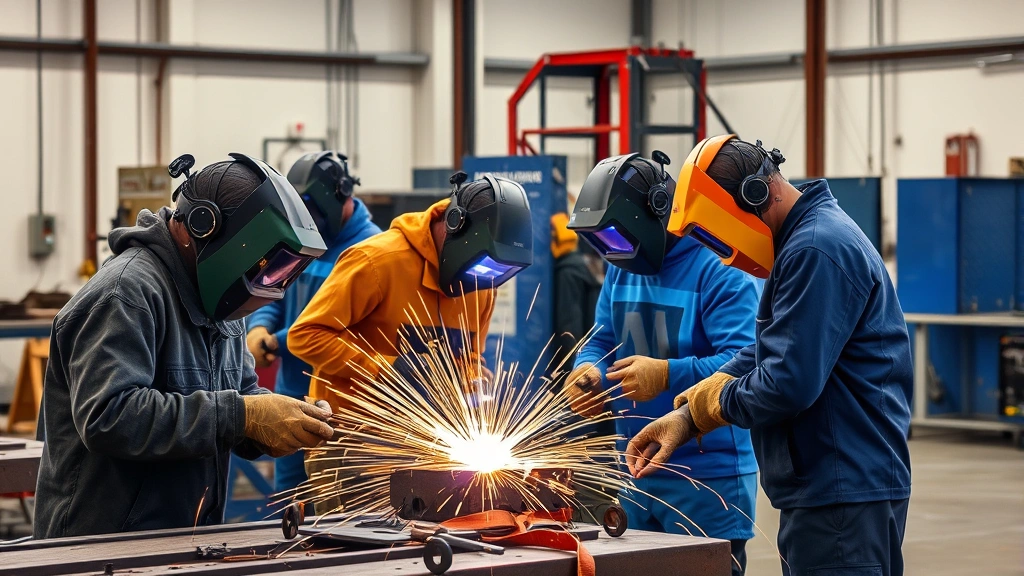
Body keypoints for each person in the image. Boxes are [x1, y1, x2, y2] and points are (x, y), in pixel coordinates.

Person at [626, 135, 913, 576]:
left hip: (842, 490)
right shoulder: (806, 242)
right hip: (832, 487)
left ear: (758, 195)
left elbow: (787, 381)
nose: (725, 258)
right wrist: (687, 416)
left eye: (720, 237)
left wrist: (713, 406)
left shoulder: (816, 249)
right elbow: (765, 351)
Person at [34, 153, 336, 538]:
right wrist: (244, 415)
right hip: (102, 545)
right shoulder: (125, 293)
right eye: (261, 267)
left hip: (181, 539)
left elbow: (240, 397)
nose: (269, 288)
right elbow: (109, 416)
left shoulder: (218, 298)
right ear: (204, 227)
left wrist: (278, 423)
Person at [288, 171, 534, 513]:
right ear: (454, 225)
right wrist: (386, 370)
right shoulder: (376, 262)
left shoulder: (483, 282)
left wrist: (475, 387)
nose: (485, 282)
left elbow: (471, 356)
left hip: (429, 446)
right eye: (482, 267)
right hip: (354, 446)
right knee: (367, 560)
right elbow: (305, 335)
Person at [564, 151, 760, 575]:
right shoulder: (624, 262)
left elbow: (746, 362)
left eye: (617, 237)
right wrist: (588, 369)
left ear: (656, 213)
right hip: (633, 471)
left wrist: (668, 375)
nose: (611, 252)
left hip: (707, 480)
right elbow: (602, 337)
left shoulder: (721, 266)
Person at [246, 152, 380, 493]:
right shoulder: (303, 239)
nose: (311, 220)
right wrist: (259, 325)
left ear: (343, 196)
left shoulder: (371, 251)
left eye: (316, 210)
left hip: (341, 406)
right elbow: (273, 286)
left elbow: (336, 326)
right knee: (290, 507)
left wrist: (276, 340)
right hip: (292, 393)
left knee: (335, 512)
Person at [550, 212, 602, 367]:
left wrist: (571, 367)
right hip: (593, 355)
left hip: (580, 360)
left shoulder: (568, 273)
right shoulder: (585, 266)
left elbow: (569, 324)